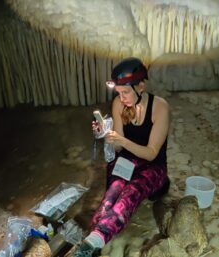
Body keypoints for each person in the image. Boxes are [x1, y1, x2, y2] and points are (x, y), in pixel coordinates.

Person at [72, 57, 170, 257]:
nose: (122, 97)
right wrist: (104, 134)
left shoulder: (160, 107)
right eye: (119, 92)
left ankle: (96, 239)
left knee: (129, 195)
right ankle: (92, 242)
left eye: (126, 92)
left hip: (152, 166)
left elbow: (151, 152)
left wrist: (123, 141)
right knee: (109, 198)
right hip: (126, 161)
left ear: (140, 86)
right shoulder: (119, 104)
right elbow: (117, 147)